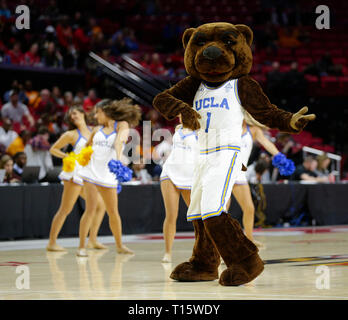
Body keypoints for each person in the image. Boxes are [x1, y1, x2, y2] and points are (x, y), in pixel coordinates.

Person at [78, 98, 142, 257]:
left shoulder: (121, 125)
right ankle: (81, 247)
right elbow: (87, 146)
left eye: (97, 112)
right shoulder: (96, 129)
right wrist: (84, 156)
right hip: (91, 174)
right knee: (90, 210)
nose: (95, 115)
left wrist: (119, 157)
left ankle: (119, 245)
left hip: (108, 175)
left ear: (105, 111)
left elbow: (120, 141)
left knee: (113, 212)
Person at [47, 106, 106, 252]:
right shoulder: (71, 134)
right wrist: (66, 156)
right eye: (70, 115)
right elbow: (53, 149)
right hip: (74, 174)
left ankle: (92, 240)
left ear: (82, 113)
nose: (73, 116)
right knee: (65, 209)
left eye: (75, 113)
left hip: (88, 174)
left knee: (100, 205)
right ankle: (52, 243)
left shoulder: (94, 130)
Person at [226, 112, 284, 247]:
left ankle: (249, 240)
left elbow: (267, 143)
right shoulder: (227, 128)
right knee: (223, 211)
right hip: (225, 173)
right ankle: (221, 245)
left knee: (249, 208)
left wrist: (279, 156)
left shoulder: (253, 130)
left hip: (240, 174)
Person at [160, 115, 198, 263]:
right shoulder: (178, 128)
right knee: (171, 215)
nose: (179, 116)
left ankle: (202, 250)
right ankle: (168, 253)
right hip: (170, 173)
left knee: (197, 217)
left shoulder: (202, 131)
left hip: (190, 177)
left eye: (182, 113)